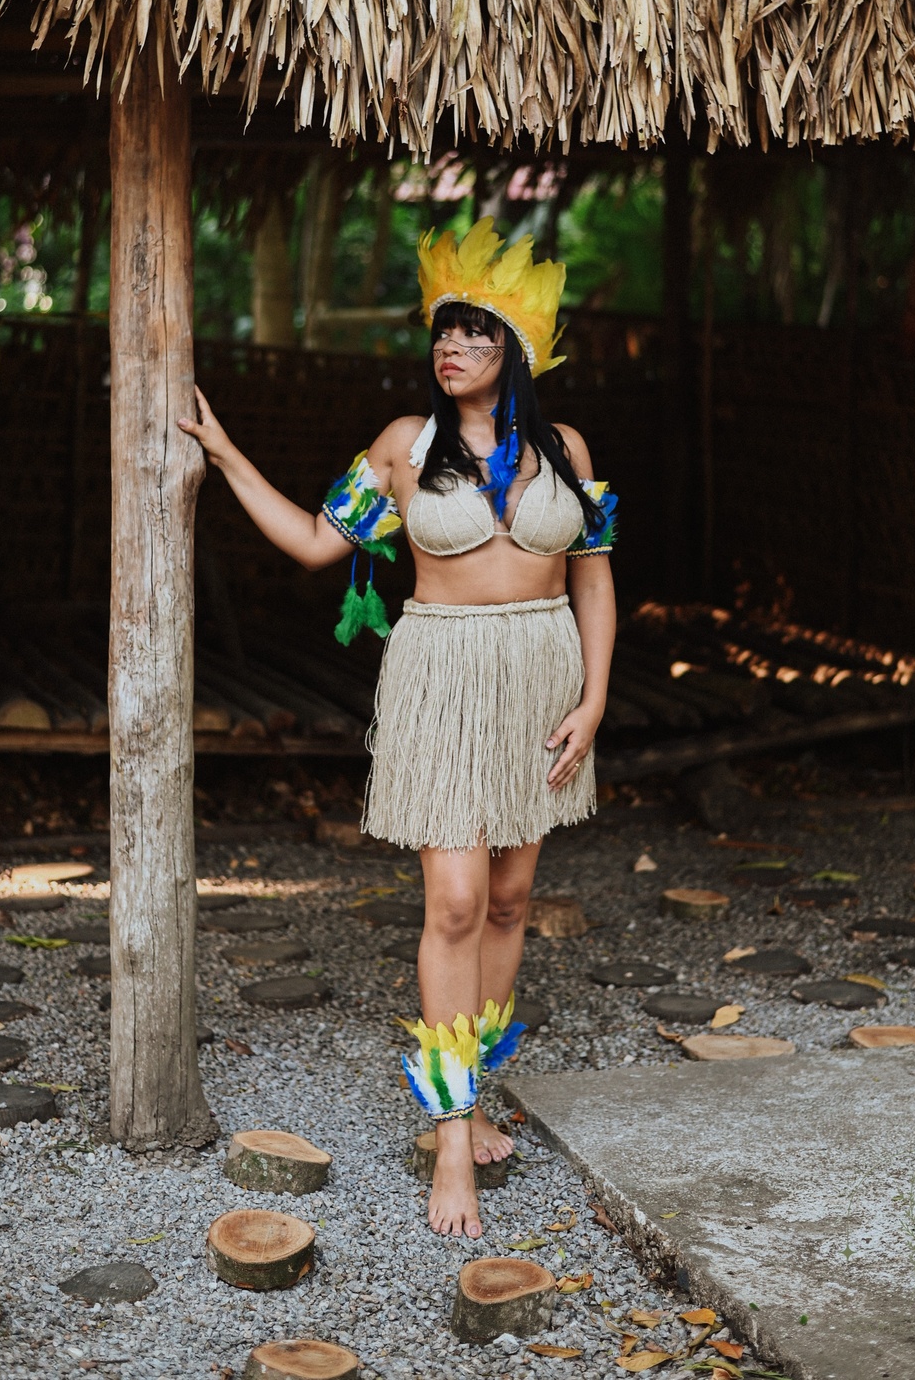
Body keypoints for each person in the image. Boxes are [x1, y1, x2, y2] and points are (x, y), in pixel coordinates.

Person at [180, 217, 616, 1237]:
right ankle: (450, 1136)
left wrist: (594, 699)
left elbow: (595, 578)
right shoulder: (403, 448)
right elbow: (312, 542)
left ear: (516, 348)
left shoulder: (566, 450)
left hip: (543, 673)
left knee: (510, 900)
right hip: (442, 677)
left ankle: (476, 1092)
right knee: (456, 903)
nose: (450, 346)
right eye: (442, 332)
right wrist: (228, 455)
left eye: (474, 331)